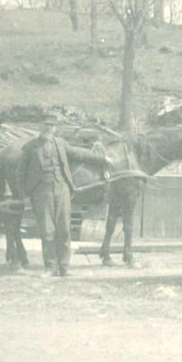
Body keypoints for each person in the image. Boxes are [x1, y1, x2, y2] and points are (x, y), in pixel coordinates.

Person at [18, 115, 110, 277]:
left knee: (64, 229)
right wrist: (24, 195)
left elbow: (80, 154)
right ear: (41, 126)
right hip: (41, 191)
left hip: (62, 189)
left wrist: (103, 159)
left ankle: (64, 267)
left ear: (55, 128)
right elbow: (21, 173)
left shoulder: (60, 144)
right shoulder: (31, 147)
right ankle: (50, 267)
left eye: (52, 125)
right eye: (46, 124)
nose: (49, 128)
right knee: (47, 230)